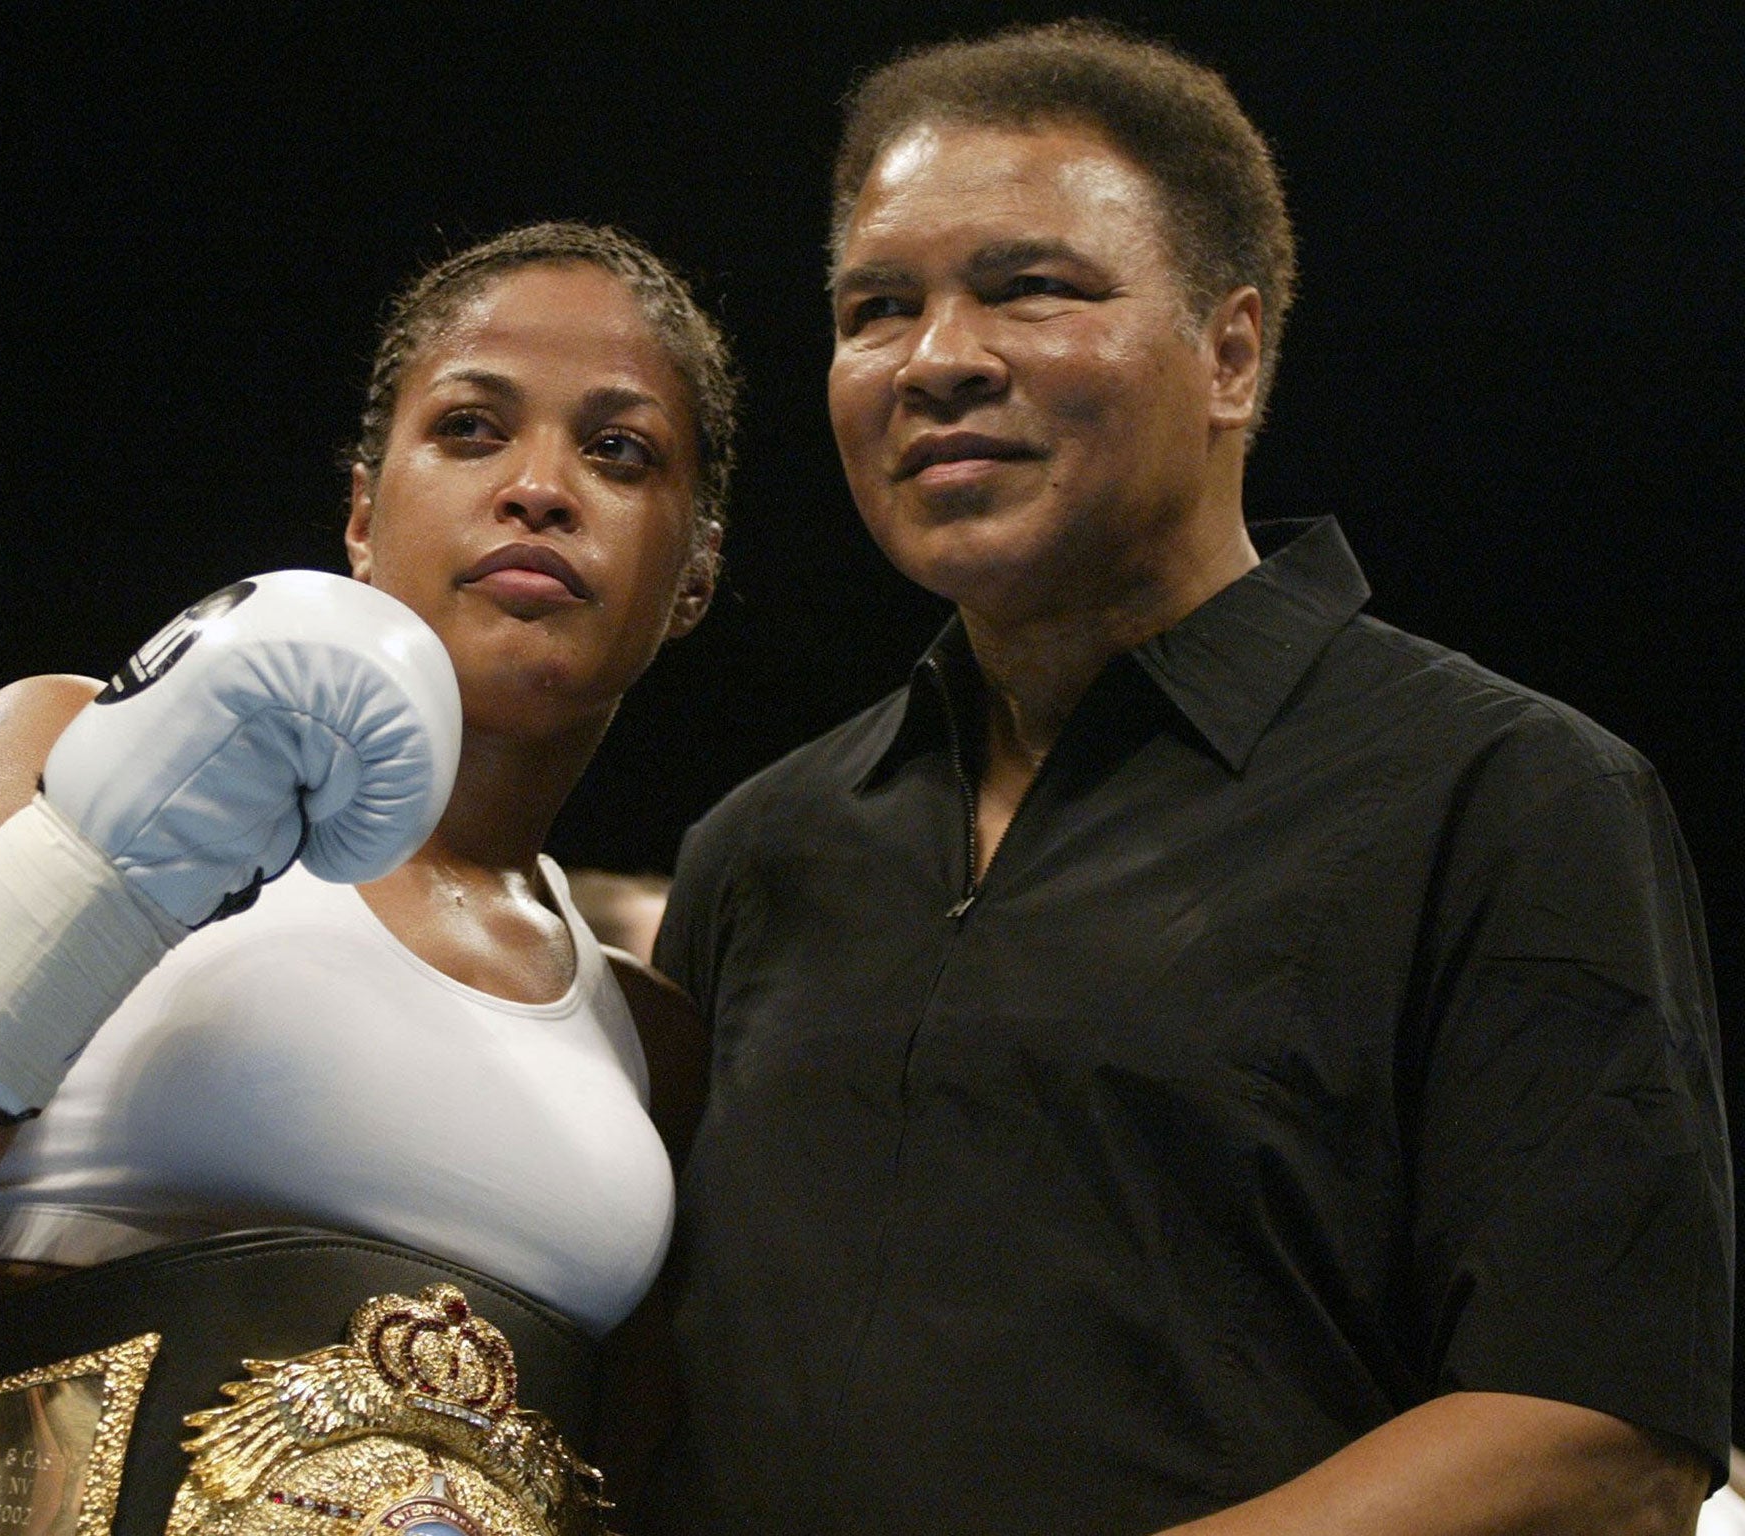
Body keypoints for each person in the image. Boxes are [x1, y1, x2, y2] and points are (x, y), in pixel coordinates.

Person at [647, 20, 1729, 1536]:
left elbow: (1602, 1438)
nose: (941, 359)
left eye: (1031, 287)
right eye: (877, 308)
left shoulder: (1509, 794)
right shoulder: (759, 848)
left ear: (1232, 353)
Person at [0, 221, 735, 1535]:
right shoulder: (51, 754)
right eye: (472, 429)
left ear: (695, 568)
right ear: (363, 512)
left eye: (618, 450)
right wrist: (99, 878)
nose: (538, 486)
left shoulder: (650, 1040)